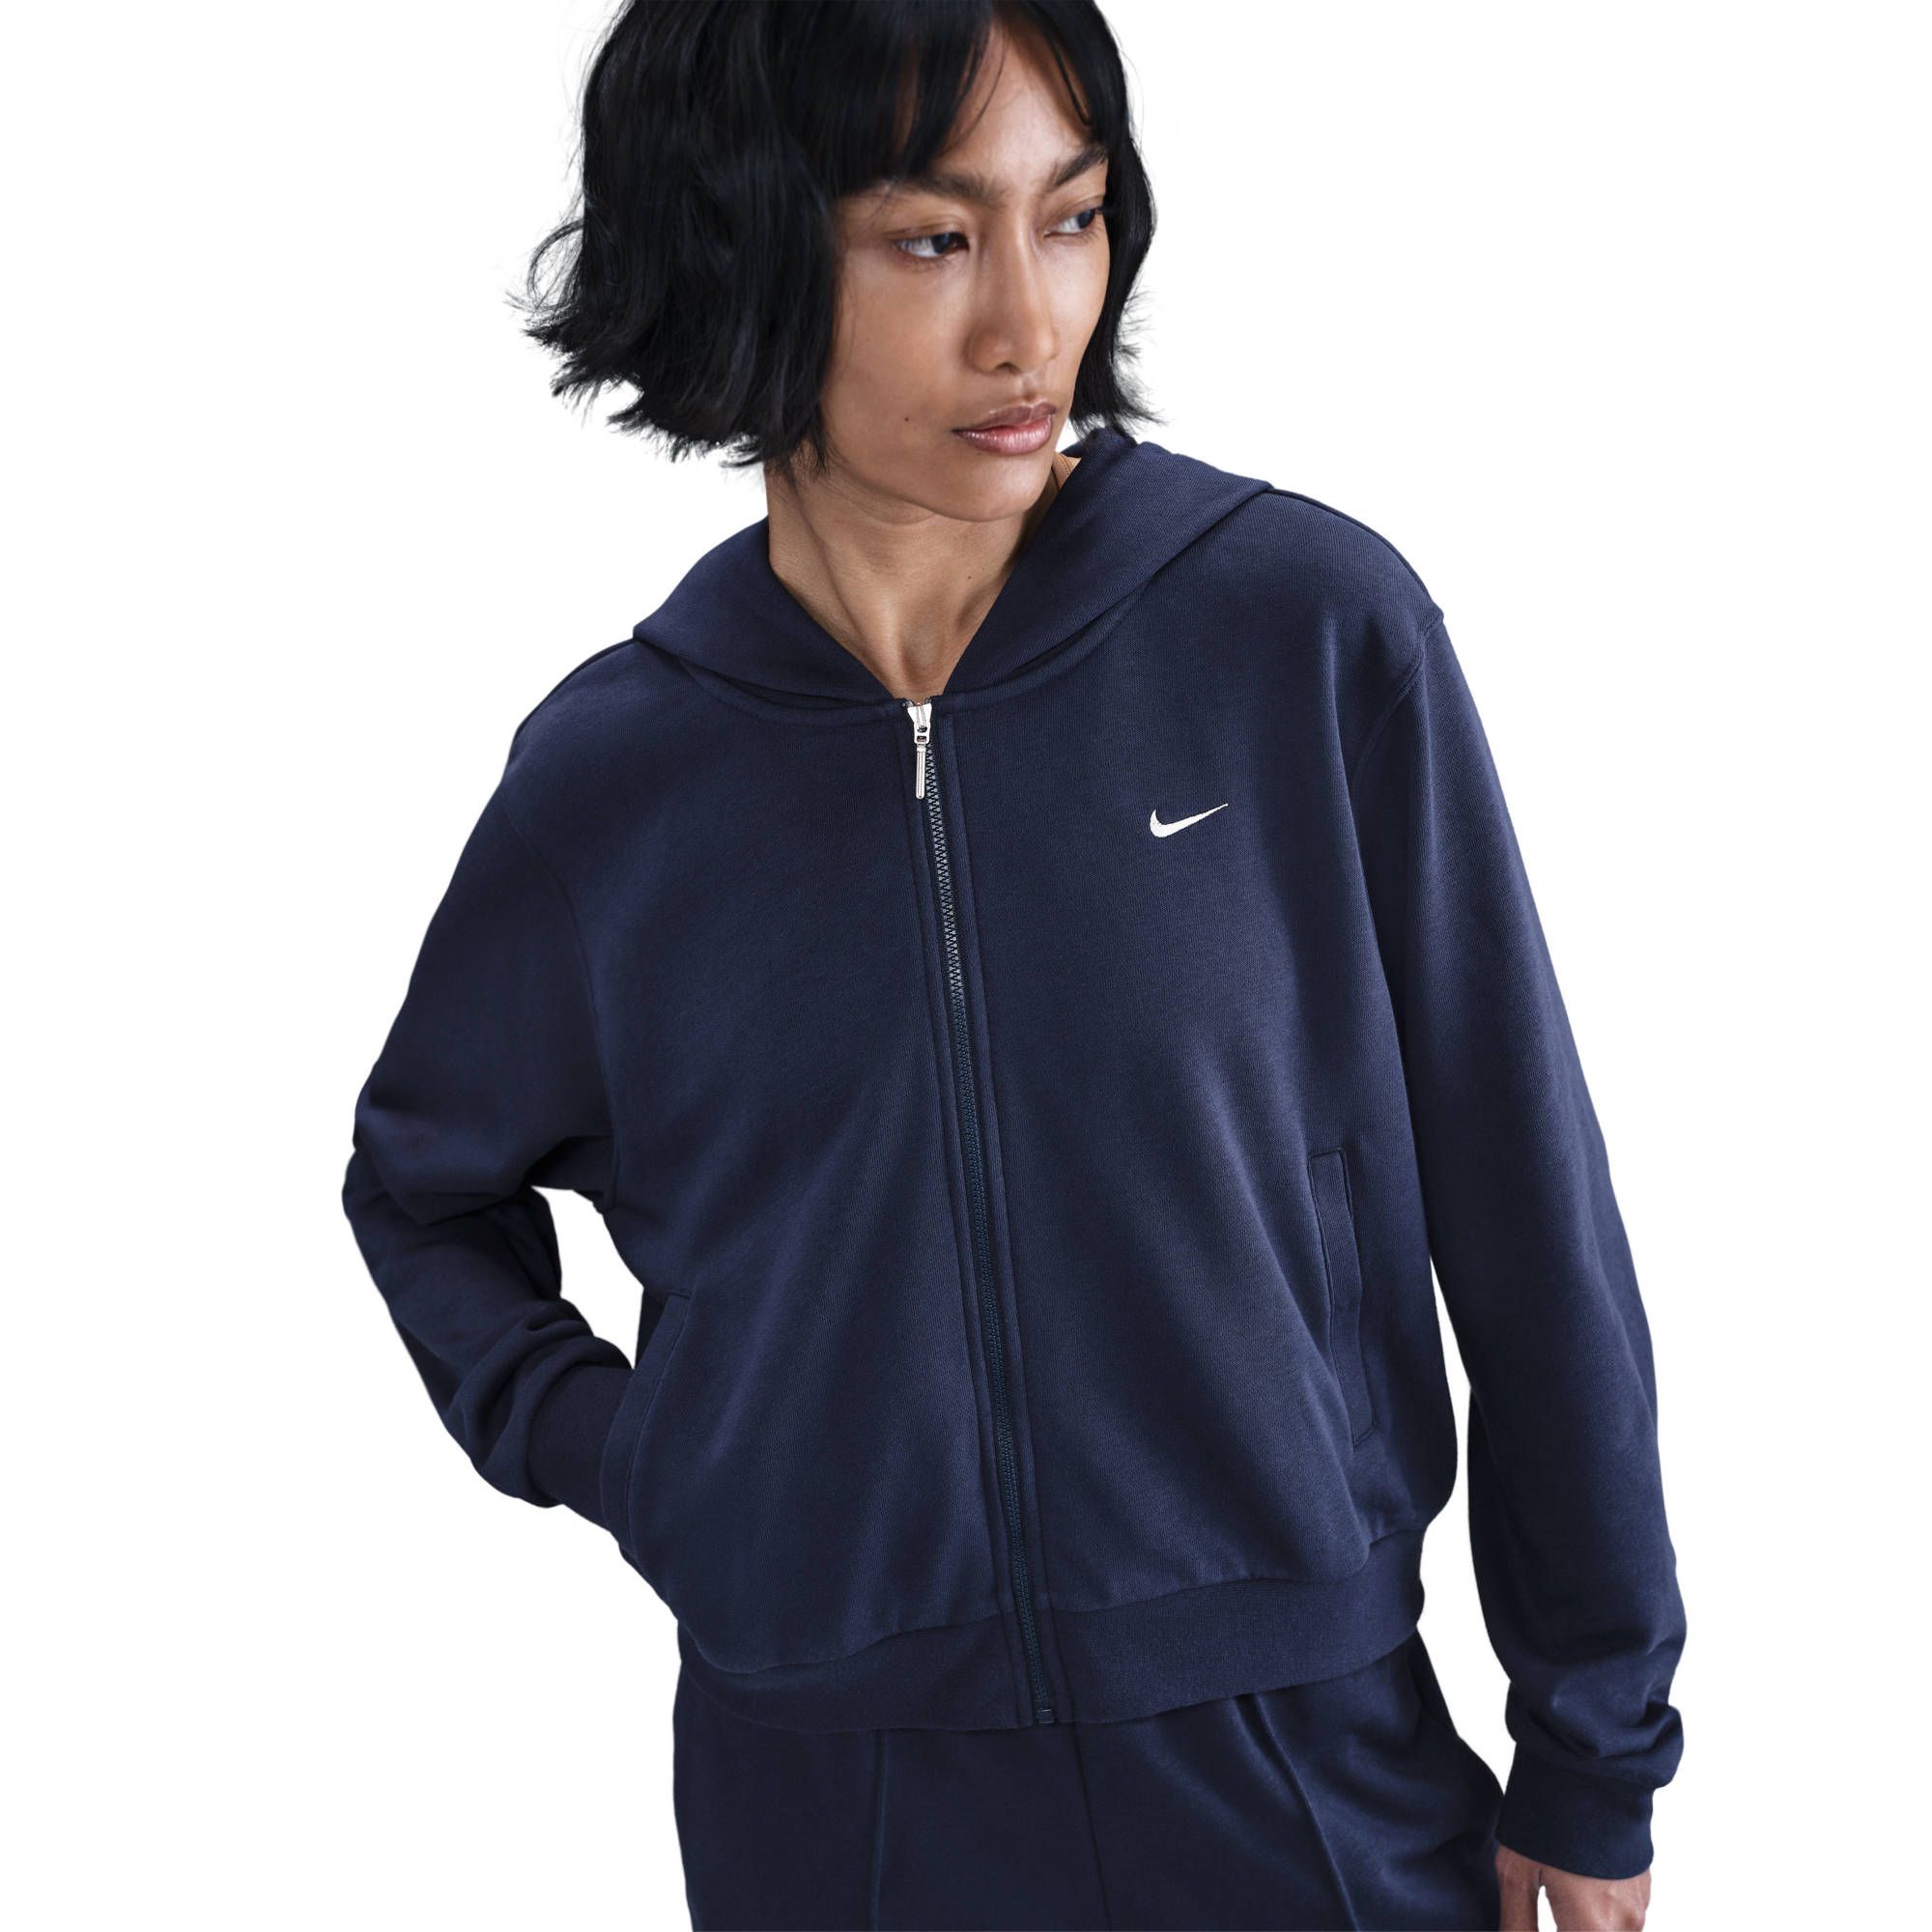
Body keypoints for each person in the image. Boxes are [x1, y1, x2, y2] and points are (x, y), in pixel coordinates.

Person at [339, 3, 1687, 1927]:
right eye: (930, 238)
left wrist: (1592, 1738)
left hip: (1297, 1768)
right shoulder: (619, 781)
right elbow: (422, 1183)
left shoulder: (1301, 635)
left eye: (1070, 218)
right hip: (837, 1808)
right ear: (738, 250)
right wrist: (652, 1460)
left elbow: (1524, 1198)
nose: (1027, 325)